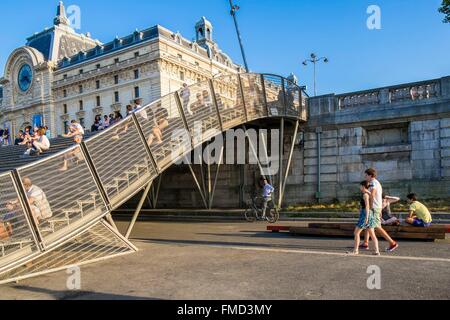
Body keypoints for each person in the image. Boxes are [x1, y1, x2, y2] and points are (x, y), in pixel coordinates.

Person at [361, 168, 399, 252]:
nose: (365, 176)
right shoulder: (374, 183)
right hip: (376, 207)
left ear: (370, 175)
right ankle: (365, 243)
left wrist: (366, 192)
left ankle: (392, 243)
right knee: (369, 224)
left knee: (377, 226)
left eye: (366, 175)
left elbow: (372, 195)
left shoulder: (373, 183)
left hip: (374, 207)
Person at [347, 181, 380, 256]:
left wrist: (366, 217)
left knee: (356, 233)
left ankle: (355, 251)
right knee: (372, 234)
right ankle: (376, 251)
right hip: (369, 214)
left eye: (360, 186)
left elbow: (367, 206)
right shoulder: (368, 193)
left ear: (363, 186)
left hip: (366, 214)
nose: (360, 187)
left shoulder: (365, 195)